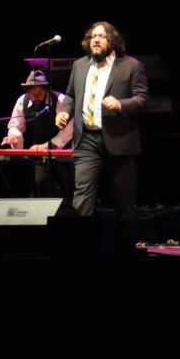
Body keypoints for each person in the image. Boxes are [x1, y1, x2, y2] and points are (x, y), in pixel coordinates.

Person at [55, 22, 150, 224]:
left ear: (112, 41)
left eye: (102, 36)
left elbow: (142, 99)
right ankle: (80, 240)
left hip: (119, 140)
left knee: (123, 201)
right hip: (86, 140)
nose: (96, 40)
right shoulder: (79, 65)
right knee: (82, 197)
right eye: (93, 36)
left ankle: (126, 241)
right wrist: (64, 112)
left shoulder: (131, 66)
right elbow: (70, 95)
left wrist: (120, 104)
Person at [2, 70, 73, 198]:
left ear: (46, 89)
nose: (35, 98)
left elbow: (69, 130)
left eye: (38, 94)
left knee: (67, 185)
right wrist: (14, 137)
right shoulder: (22, 101)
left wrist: (47, 145)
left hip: (64, 148)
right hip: (39, 151)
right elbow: (15, 126)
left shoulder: (60, 100)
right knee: (40, 184)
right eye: (31, 94)